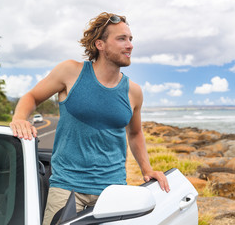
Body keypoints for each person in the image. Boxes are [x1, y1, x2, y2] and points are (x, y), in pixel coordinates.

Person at [9, 12, 170, 225]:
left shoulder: (134, 92)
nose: (130, 45)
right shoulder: (70, 72)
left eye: (131, 39)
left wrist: (147, 169)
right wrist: (20, 118)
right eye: (121, 38)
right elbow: (32, 96)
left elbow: (135, 133)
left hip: (113, 191)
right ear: (100, 44)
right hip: (67, 188)